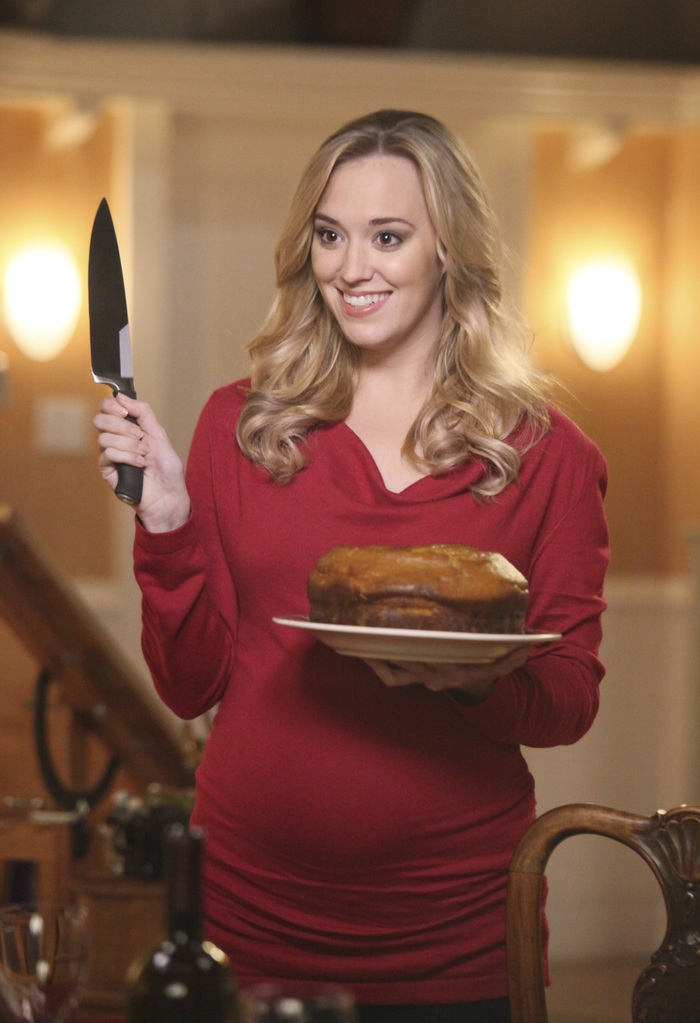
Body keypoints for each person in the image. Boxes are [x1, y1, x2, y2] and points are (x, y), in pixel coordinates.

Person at [94, 109, 609, 1023]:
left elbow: (568, 698)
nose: (351, 267)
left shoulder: (548, 454)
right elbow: (189, 684)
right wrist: (166, 523)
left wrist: (467, 680)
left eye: (388, 236)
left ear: (449, 248)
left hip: (456, 929)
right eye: (330, 235)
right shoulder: (242, 424)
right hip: (248, 912)